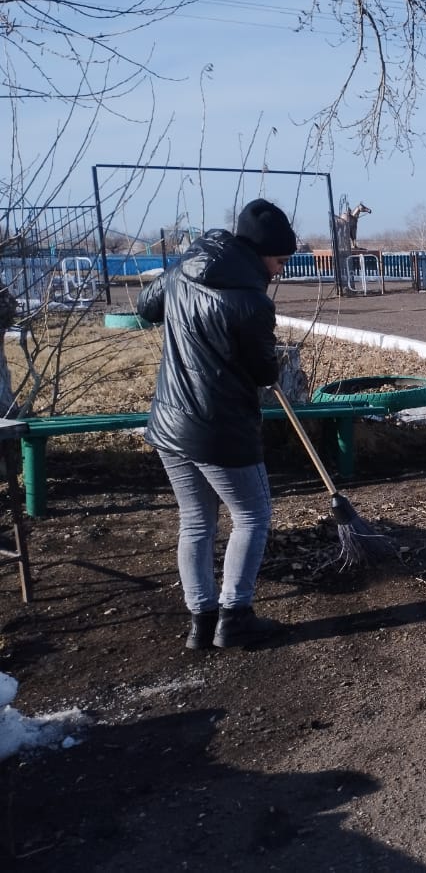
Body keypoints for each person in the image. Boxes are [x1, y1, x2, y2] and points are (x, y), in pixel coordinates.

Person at [138, 198, 297, 649]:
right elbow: (264, 372)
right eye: (280, 261)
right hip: (221, 428)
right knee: (252, 515)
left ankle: (201, 622)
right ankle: (235, 616)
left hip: (170, 421)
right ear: (261, 253)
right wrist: (273, 362)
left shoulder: (186, 267)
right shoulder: (250, 302)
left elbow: (147, 307)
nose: (280, 271)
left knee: (195, 521)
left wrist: (176, 278)